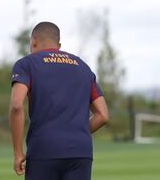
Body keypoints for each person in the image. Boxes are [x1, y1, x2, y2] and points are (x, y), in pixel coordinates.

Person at [9, 21, 109, 180]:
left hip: (44, 149)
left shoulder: (26, 64)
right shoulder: (82, 66)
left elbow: (16, 105)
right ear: (59, 45)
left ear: (34, 41)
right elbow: (103, 115)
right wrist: (75, 131)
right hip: (80, 151)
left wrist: (18, 152)